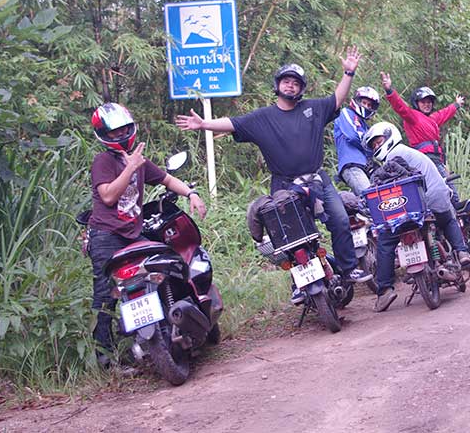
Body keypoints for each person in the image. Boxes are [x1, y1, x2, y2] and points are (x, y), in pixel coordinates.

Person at [175, 48, 372, 304]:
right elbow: (233, 123)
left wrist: (348, 72)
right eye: (286, 81)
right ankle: (299, 282)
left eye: (296, 83)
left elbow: (336, 99)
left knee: (340, 220)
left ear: (301, 89)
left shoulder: (313, 108)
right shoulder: (262, 118)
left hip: (317, 179)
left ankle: (348, 268)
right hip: (284, 186)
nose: (290, 86)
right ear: (277, 85)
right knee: (289, 235)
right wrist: (203, 124)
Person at [87, 103, 207, 367]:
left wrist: (191, 193)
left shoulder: (138, 160)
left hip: (134, 234)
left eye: (124, 129)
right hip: (106, 236)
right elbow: (108, 196)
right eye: (114, 132)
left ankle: (180, 326)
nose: (121, 135)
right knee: (105, 297)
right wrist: (129, 168)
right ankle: (106, 361)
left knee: (169, 265)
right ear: (104, 135)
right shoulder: (103, 161)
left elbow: (166, 179)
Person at [361, 122, 470, 312]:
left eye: (379, 141)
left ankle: (384, 291)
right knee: (448, 219)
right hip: (434, 201)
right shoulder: (409, 152)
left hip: (416, 206)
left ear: (390, 136)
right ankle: (462, 252)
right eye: (373, 145)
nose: (377, 146)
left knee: (385, 241)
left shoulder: (394, 157)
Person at [380, 72, 464, 204]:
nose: (427, 104)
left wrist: (456, 104)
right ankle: (454, 211)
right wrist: (389, 90)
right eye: (423, 102)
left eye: (429, 102)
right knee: (446, 191)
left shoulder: (432, 119)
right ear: (416, 103)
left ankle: (456, 212)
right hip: (425, 160)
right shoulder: (413, 117)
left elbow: (445, 113)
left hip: (437, 160)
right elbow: (400, 107)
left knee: (448, 189)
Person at [334, 86, 381, 195]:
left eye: (369, 105)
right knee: (371, 197)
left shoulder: (364, 125)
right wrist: (369, 148)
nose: (366, 106)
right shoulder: (346, 113)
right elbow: (352, 136)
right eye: (364, 103)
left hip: (364, 167)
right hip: (352, 165)